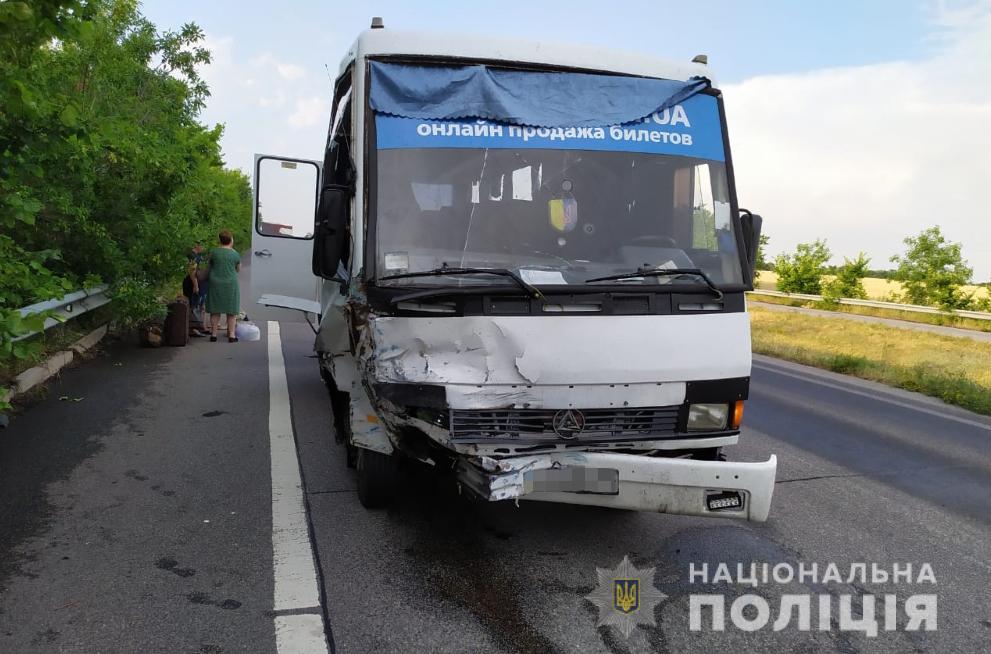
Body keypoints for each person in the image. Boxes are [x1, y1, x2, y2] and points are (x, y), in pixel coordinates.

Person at [204, 230, 242, 342]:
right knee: (231, 311)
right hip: (230, 283)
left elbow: (209, 266)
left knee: (215, 310)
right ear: (230, 240)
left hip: (215, 282)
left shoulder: (214, 252)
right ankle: (231, 335)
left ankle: (214, 334)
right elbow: (238, 269)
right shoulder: (235, 254)